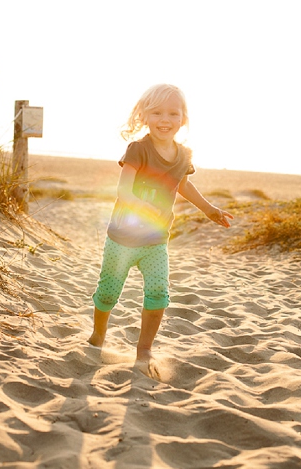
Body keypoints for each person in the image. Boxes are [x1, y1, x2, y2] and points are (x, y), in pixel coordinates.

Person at [87, 84, 232, 379]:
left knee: (158, 293)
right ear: (144, 116)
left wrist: (208, 209)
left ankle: (144, 349)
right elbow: (124, 189)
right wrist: (144, 208)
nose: (164, 119)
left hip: (155, 241)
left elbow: (184, 185)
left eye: (172, 113)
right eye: (156, 113)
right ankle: (98, 335)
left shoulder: (183, 154)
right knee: (108, 292)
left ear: (183, 118)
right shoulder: (138, 149)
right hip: (122, 239)